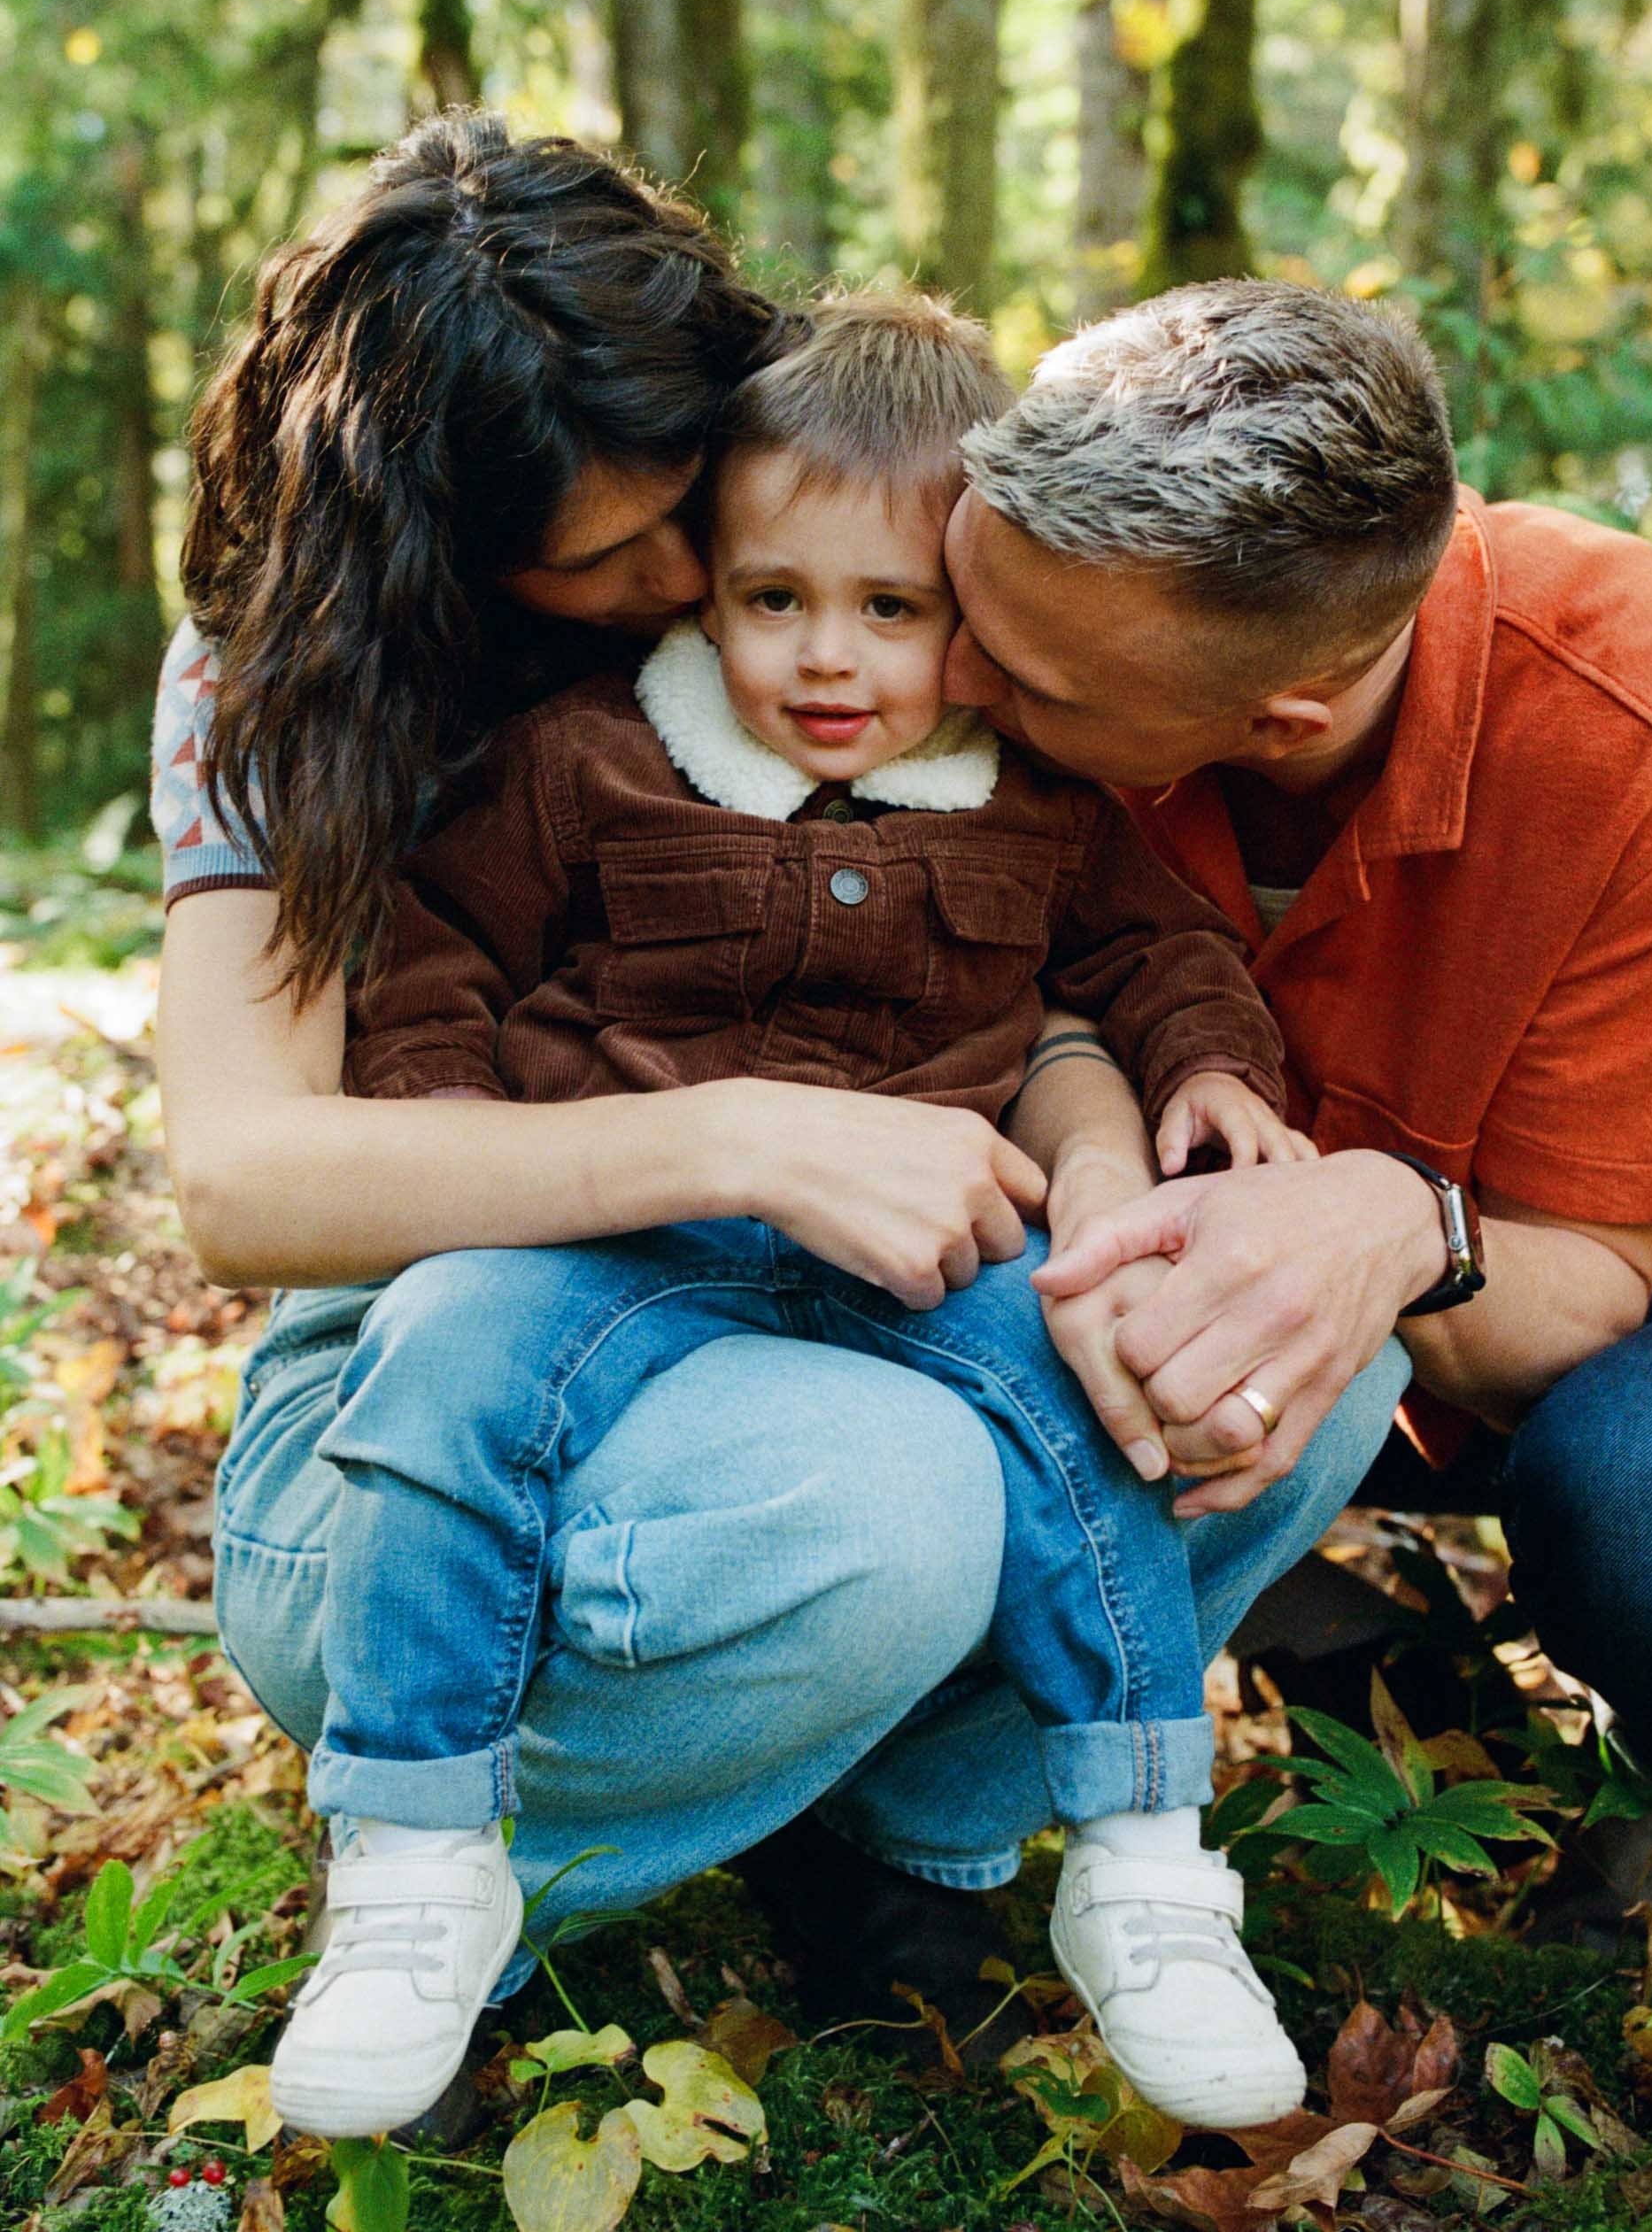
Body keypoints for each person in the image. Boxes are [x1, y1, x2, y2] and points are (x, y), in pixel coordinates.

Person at [151, 120, 1409, 2092]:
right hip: (490, 1319)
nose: (690, 591)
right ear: (448, 548)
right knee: (892, 1498)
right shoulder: (316, 681)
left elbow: (1065, 954)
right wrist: (731, 1132)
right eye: (617, 561)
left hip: (887, 1261)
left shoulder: (923, 652)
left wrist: (1118, 1130)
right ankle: (458, 1885)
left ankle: (919, 1841)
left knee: (1271, 1353)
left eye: (695, 517)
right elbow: (249, 1177)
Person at [805, 275, 1652, 1897]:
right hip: (1152, 1235)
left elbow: (1579, 1304)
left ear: (1277, 721)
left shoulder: (1649, 725)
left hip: (1636, 1298)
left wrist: (1396, 1226)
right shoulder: (1024, 639)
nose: (953, 677)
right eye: (957, 601)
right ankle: (1315, 1627)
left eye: (1033, 681)